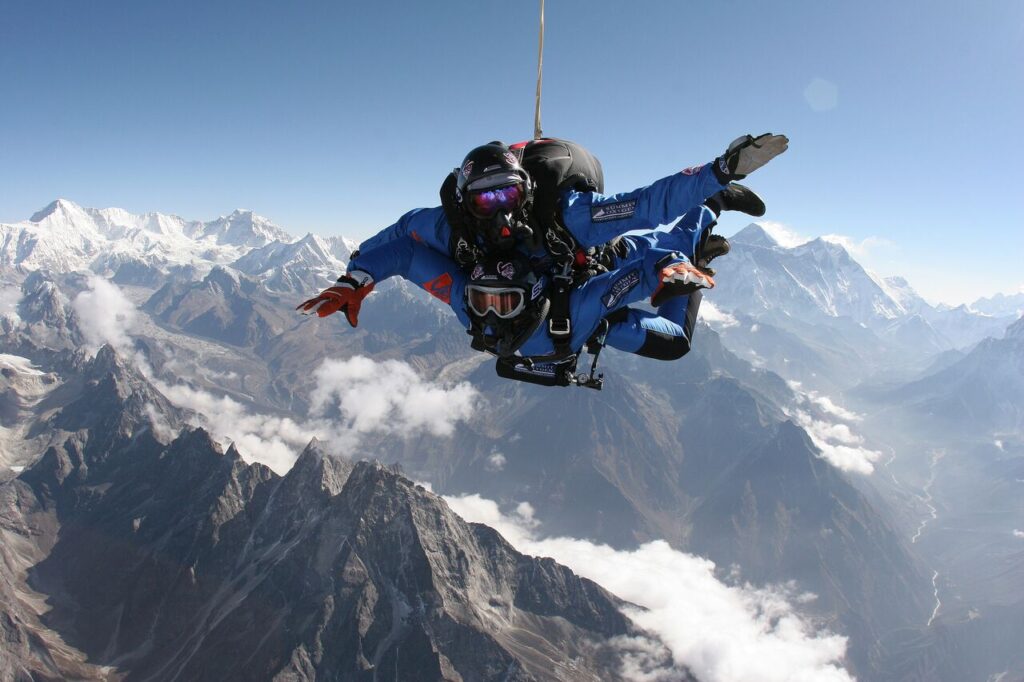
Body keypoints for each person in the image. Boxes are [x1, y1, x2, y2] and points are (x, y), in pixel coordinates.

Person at [298, 133, 787, 362]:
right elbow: (403, 239)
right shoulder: (458, 232)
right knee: (668, 337)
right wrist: (355, 275)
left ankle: (708, 209)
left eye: (506, 195)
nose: (500, 211)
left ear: (525, 190)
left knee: (652, 242)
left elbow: (646, 206)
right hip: (574, 307)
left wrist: (715, 176)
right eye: (485, 200)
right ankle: (704, 216)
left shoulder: (568, 215)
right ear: (467, 203)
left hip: (579, 261)